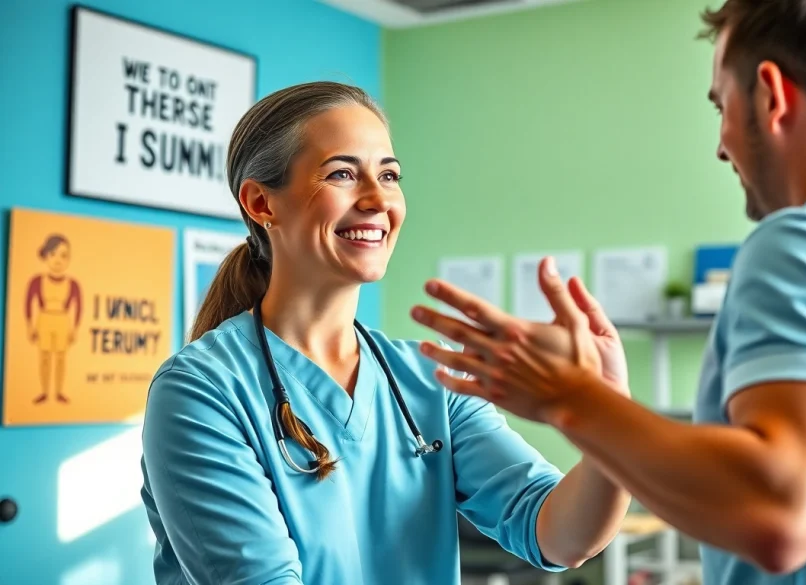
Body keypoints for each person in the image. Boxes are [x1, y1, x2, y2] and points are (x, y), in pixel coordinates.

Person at [409, 1, 806, 583]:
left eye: (720, 106)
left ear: (770, 95)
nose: (721, 144)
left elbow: (777, 512)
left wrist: (569, 398)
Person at [139, 81, 630, 585]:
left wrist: (611, 413)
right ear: (262, 203)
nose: (378, 199)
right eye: (343, 174)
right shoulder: (200, 390)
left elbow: (558, 534)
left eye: (389, 175)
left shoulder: (431, 377)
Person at [25, 234, 82, 404]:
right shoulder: (37, 281)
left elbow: (78, 308)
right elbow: (29, 303)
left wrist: (75, 329)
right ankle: (44, 391)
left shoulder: (73, 284)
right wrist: (30, 325)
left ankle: (58, 392)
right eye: (53, 254)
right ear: (46, 256)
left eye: (63, 255)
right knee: (44, 357)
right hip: (44, 319)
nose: (58, 260)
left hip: (62, 321)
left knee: (60, 359)